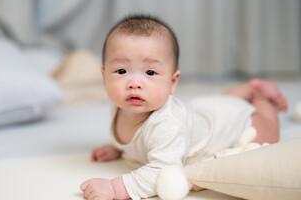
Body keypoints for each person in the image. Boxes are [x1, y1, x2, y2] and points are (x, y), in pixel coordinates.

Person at [80, 14, 288, 200]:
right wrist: (117, 147)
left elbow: (163, 171)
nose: (134, 83)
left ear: (173, 82)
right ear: (104, 77)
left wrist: (115, 188)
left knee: (269, 134)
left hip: (236, 125)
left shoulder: (168, 126)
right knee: (219, 106)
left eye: (150, 73)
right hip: (206, 112)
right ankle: (247, 89)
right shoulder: (120, 106)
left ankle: (261, 95)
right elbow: (138, 138)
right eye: (122, 70)